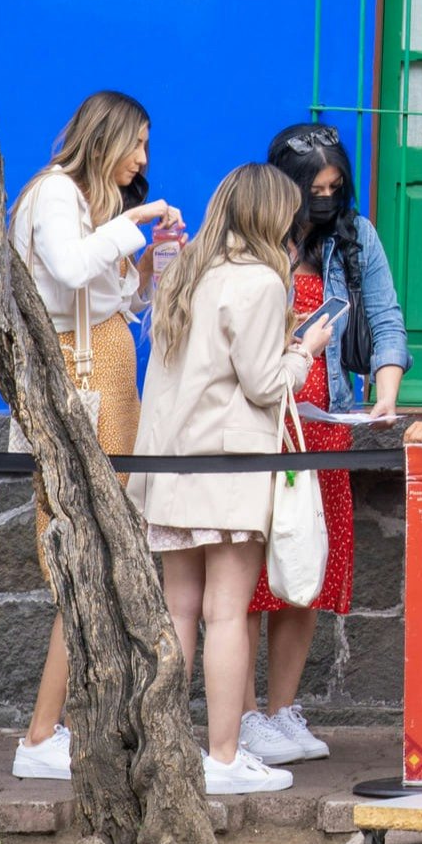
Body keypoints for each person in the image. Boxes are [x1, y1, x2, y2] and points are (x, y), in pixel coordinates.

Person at [136, 160, 340, 796]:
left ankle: (166, 753)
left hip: (169, 464)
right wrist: (305, 351)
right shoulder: (260, 281)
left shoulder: (187, 270)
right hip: (229, 467)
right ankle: (222, 756)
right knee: (227, 614)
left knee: (178, 611)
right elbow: (263, 384)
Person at [8, 89, 185, 782]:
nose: (141, 159)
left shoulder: (88, 205)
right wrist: (135, 222)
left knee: (104, 550)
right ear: (105, 137)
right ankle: (44, 731)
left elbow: (110, 297)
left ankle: (72, 725)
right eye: (135, 143)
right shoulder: (54, 193)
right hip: (83, 373)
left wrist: (145, 264)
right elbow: (70, 269)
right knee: (85, 550)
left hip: (106, 365)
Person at [241, 122, 415, 770]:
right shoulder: (253, 234)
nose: (325, 197)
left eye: (335, 186)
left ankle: (281, 710)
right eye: (313, 187)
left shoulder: (356, 236)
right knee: (252, 575)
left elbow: (387, 318)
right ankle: (240, 714)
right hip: (263, 424)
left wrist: (385, 394)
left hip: (326, 424)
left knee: (303, 568)